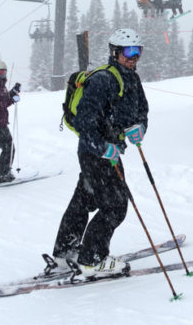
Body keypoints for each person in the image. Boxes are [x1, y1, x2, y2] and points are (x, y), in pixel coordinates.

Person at [49, 28, 149, 279]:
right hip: (96, 153)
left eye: (138, 52)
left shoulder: (132, 79)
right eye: (129, 52)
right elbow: (85, 122)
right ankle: (92, 259)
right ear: (115, 53)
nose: (134, 57)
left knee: (85, 198)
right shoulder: (103, 80)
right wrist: (104, 148)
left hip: (110, 151)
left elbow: (142, 111)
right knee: (115, 206)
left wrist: (139, 128)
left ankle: (65, 252)